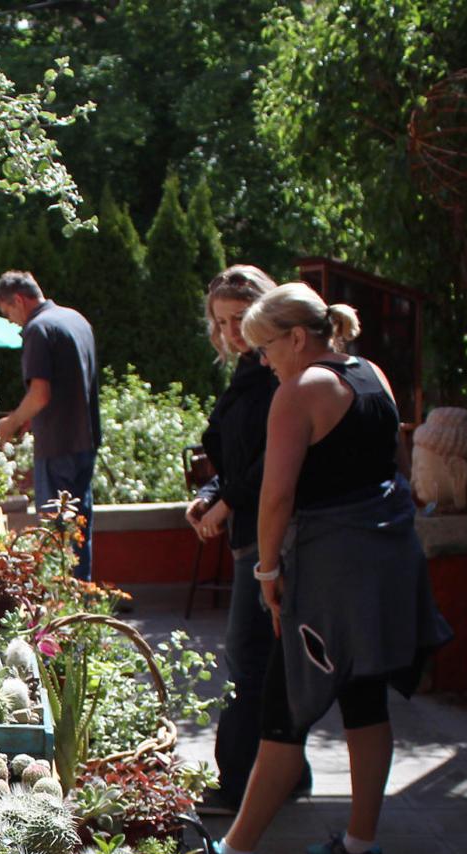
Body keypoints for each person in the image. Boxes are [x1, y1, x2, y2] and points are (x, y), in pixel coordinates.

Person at [196, 282, 451, 854]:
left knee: (285, 710)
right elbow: (384, 472)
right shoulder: (372, 376)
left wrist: (267, 573)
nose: (262, 359)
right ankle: (360, 847)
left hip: (327, 578)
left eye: (266, 346)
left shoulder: (302, 390)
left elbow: (275, 495)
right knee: (366, 702)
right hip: (382, 570)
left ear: (299, 337)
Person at [185, 265, 311, 813]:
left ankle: (241, 782)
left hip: (271, 537)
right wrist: (212, 493)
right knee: (261, 658)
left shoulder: (280, 374)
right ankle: (288, 774)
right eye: (222, 322)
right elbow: (235, 456)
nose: (232, 332)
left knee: (249, 658)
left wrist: (228, 500)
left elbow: (272, 461)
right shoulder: (246, 372)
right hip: (248, 531)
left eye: (240, 319)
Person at [0, 271, 101, 579]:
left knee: (56, 534)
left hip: (58, 447)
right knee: (79, 529)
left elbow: (40, 394)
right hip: (85, 442)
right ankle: (80, 601)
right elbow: (71, 385)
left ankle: (61, 610)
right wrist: (29, 417)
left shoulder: (38, 329)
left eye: (8, 312)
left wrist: (11, 423)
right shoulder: (75, 320)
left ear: (19, 299)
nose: (12, 321)